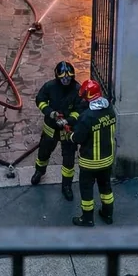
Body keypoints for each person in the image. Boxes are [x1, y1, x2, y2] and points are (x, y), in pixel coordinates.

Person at [32, 61, 84, 200]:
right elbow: (40, 100)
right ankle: (39, 172)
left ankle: (66, 186)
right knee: (43, 152)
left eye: (68, 78)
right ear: (57, 76)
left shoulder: (77, 89)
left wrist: (69, 120)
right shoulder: (50, 86)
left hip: (67, 131)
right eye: (63, 78)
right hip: (51, 128)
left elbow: (80, 109)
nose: (66, 80)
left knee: (68, 160)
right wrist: (50, 112)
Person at [71, 78, 117, 227]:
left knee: (86, 191)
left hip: (89, 162)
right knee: (106, 188)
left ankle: (87, 219)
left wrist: (71, 135)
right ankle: (108, 214)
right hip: (107, 159)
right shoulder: (109, 108)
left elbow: (78, 138)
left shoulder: (86, 117)